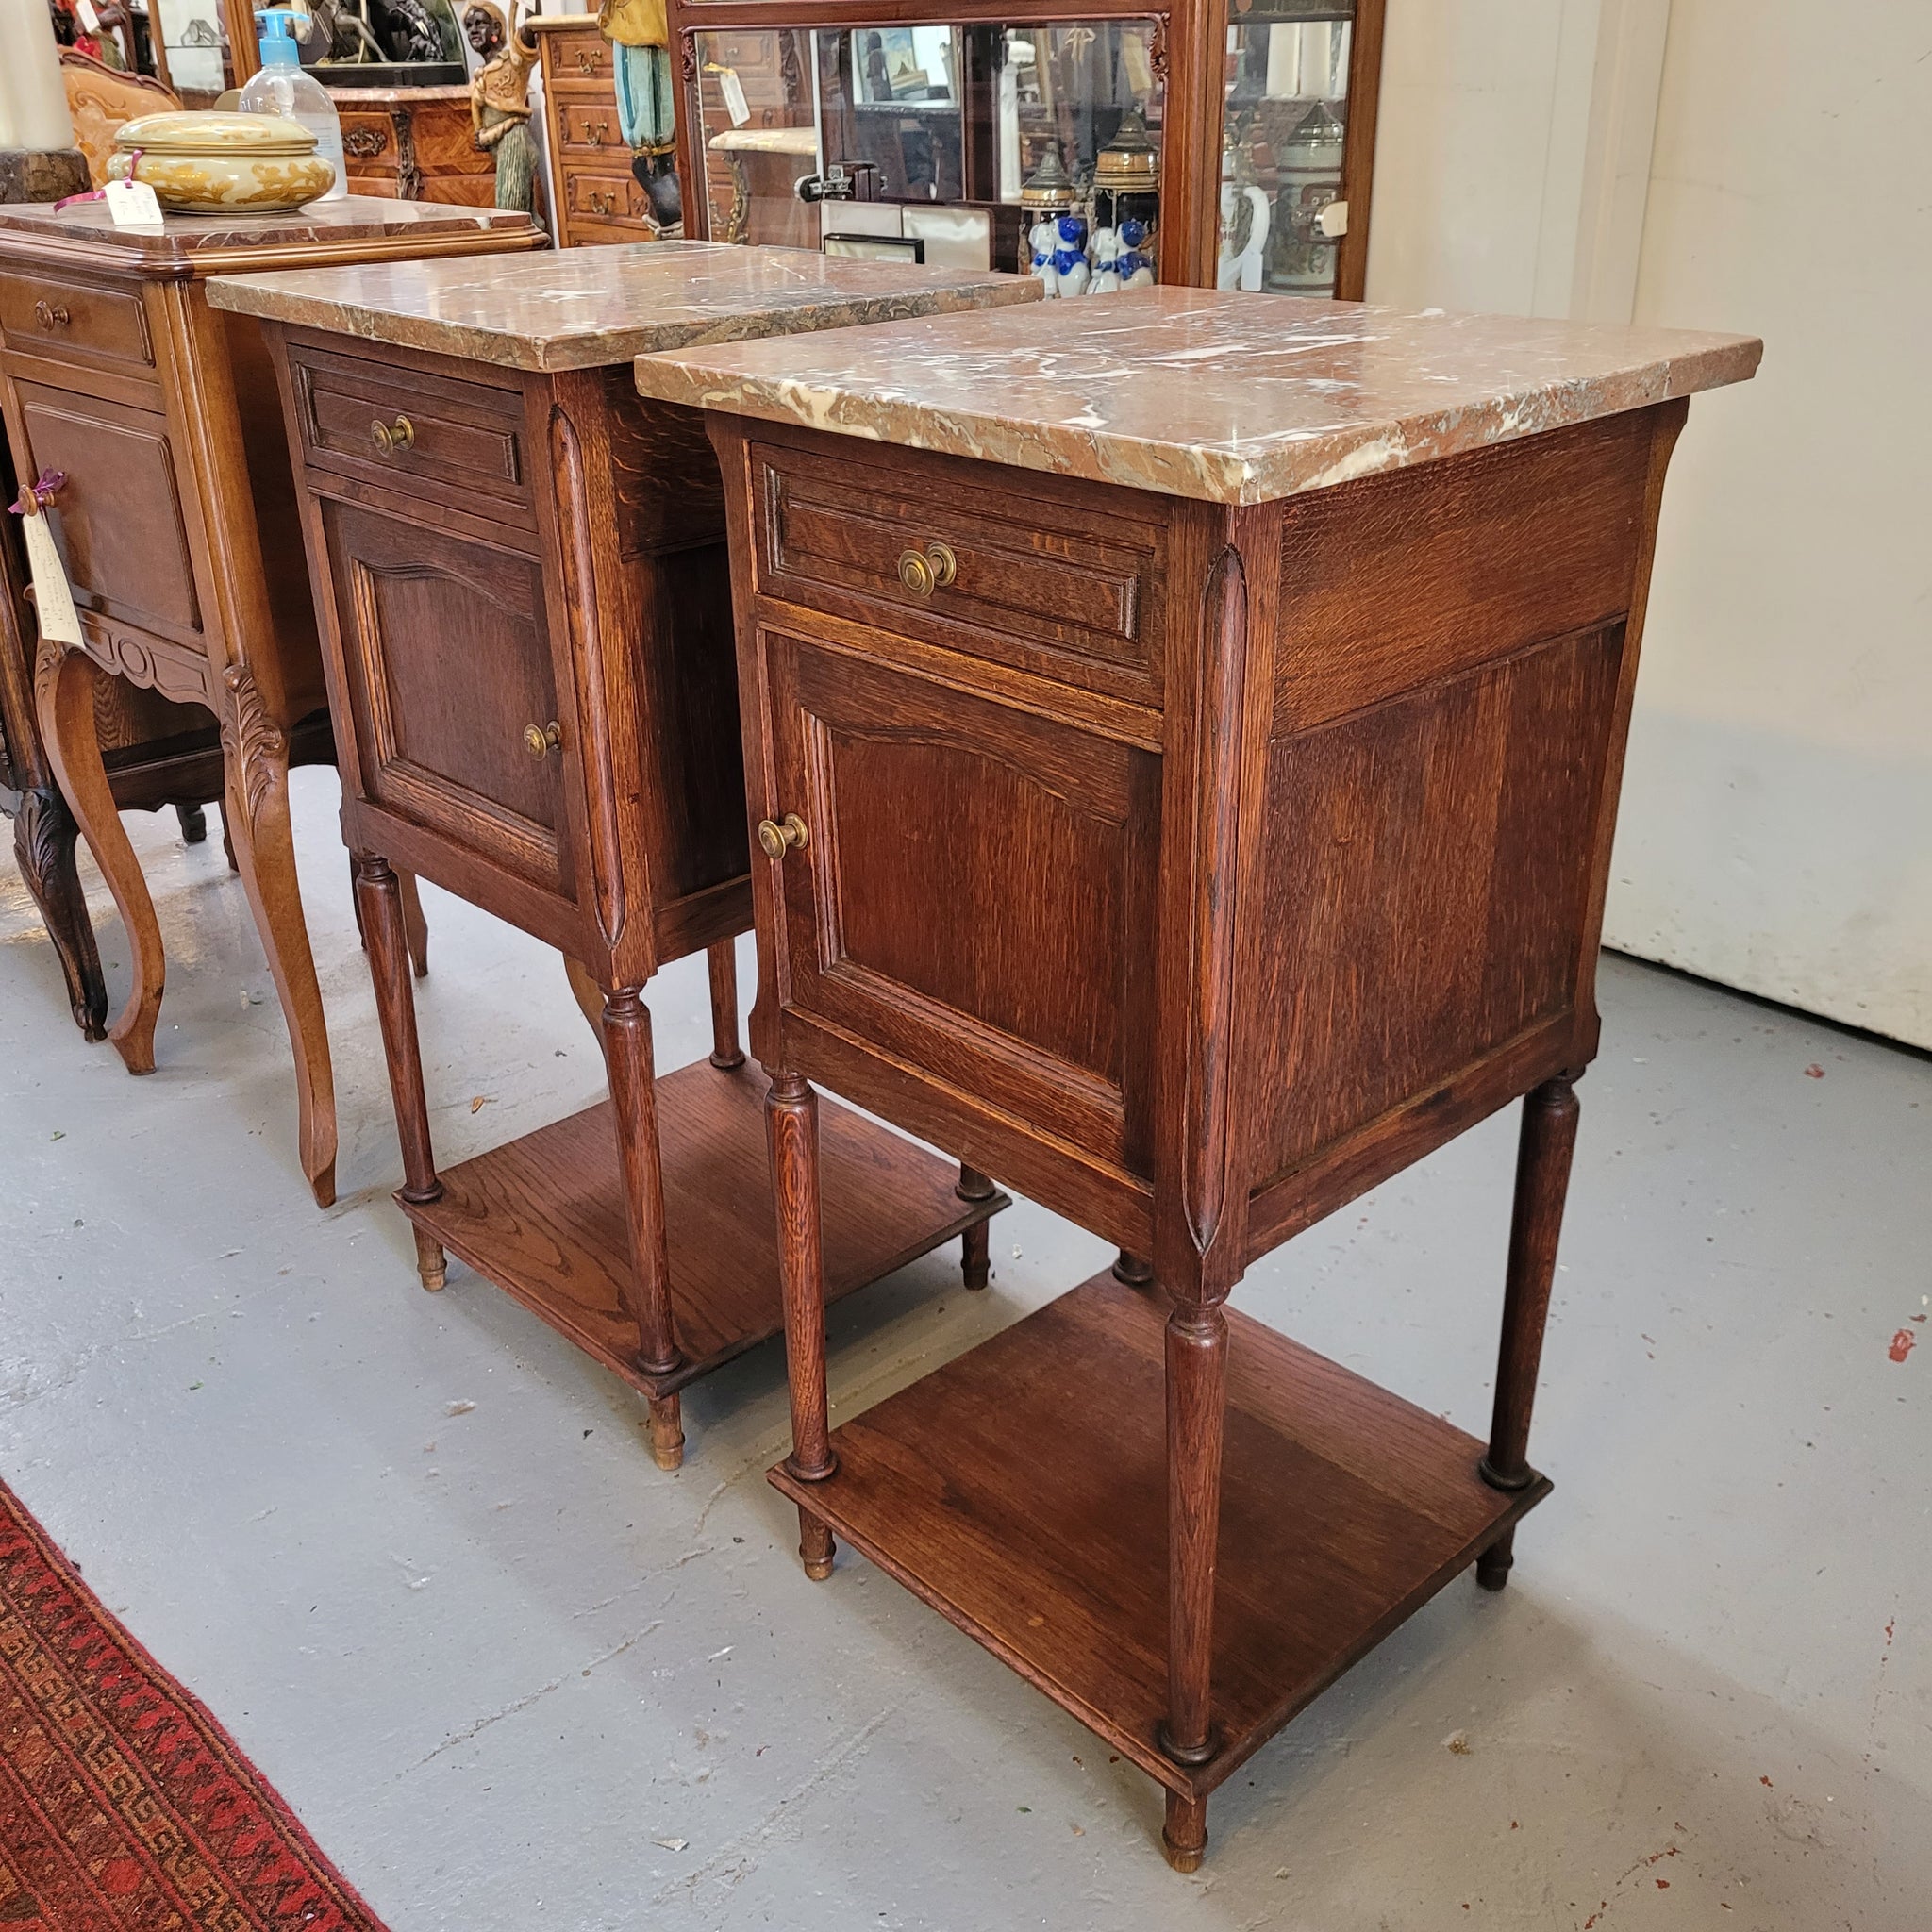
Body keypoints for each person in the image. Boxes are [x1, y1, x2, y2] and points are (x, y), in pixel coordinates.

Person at [467, 5, 539, 219]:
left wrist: (529, 8)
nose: (473, 30)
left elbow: (530, 29)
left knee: (511, 214)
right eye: (469, 26)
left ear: (497, 28)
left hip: (513, 143)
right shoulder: (482, 73)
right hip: (498, 147)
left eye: (480, 23)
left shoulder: (513, 61)